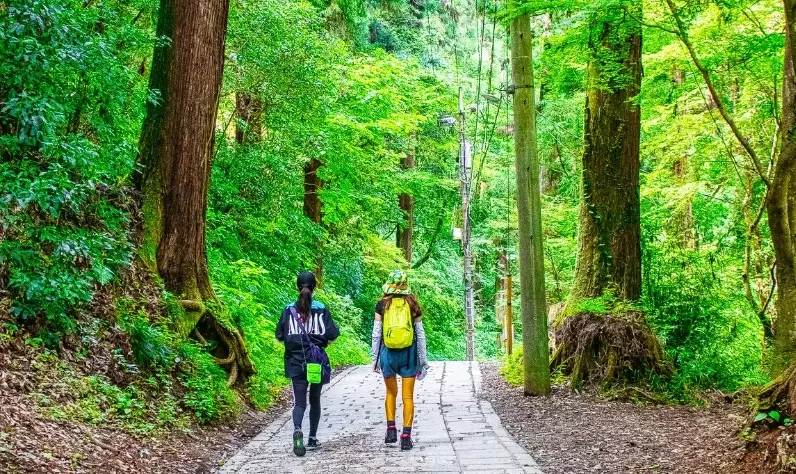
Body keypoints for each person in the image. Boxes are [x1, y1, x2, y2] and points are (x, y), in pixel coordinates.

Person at [276, 271, 339, 457]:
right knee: (315, 399)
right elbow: (333, 334)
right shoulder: (321, 309)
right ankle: (312, 437)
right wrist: (321, 342)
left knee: (299, 402)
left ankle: (297, 428)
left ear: (298, 287)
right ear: (314, 287)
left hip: (295, 362)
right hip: (316, 361)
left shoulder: (289, 310)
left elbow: (280, 336)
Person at [371, 270, 429, 451]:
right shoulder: (413, 304)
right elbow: (420, 335)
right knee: (408, 397)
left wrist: (375, 359)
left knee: (390, 393)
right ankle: (406, 436)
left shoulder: (382, 305)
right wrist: (423, 360)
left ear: (389, 285)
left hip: (388, 354)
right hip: (409, 354)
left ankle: (390, 430)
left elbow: (376, 334)